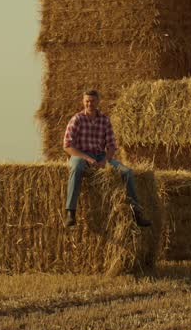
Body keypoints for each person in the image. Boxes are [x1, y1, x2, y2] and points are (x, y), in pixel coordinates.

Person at [62, 89, 151, 228]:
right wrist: (87, 159)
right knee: (77, 168)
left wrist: (105, 160)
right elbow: (67, 146)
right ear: (83, 102)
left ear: (98, 102)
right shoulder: (77, 119)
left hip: (100, 156)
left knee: (127, 172)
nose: (89, 104)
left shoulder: (105, 120)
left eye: (92, 101)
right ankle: (70, 212)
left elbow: (111, 146)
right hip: (80, 155)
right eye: (87, 101)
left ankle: (136, 213)